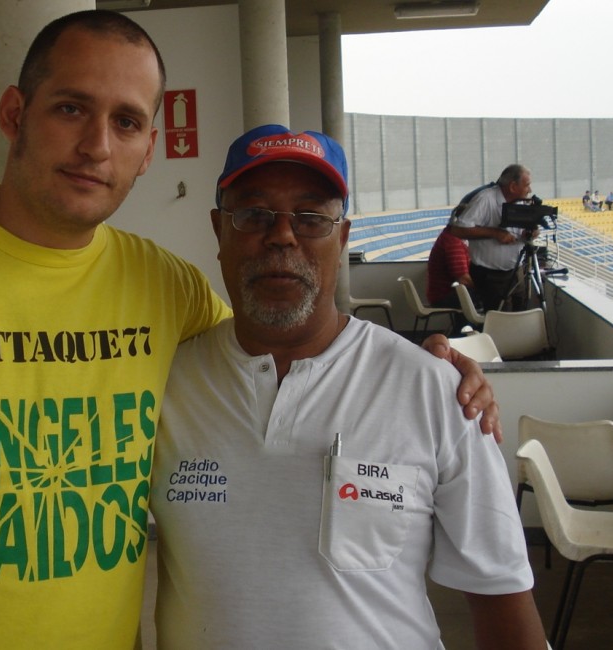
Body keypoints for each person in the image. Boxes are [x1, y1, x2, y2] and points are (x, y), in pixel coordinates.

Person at [0, 11, 500, 650]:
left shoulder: (164, 287)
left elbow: (285, 340)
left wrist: (427, 368)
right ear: (13, 114)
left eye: (125, 122)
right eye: (71, 108)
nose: (97, 144)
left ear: (146, 151)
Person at [151, 125, 546, 649]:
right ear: (219, 231)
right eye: (254, 214)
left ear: (342, 237)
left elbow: (503, 601)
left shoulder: (435, 392)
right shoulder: (163, 385)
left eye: (312, 217)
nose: (283, 235)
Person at [450, 164, 538, 311]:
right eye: (527, 185)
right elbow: (458, 230)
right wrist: (495, 233)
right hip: (491, 277)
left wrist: (531, 233)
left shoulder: (523, 200)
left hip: (516, 272)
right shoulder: (485, 199)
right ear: (512, 186)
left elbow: (525, 231)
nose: (530, 190)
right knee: (502, 322)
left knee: (520, 315)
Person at [426, 224, 477, 335]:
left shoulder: (448, 237)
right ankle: (466, 337)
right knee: (490, 298)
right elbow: (463, 279)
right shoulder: (452, 243)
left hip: (442, 294)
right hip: (444, 296)